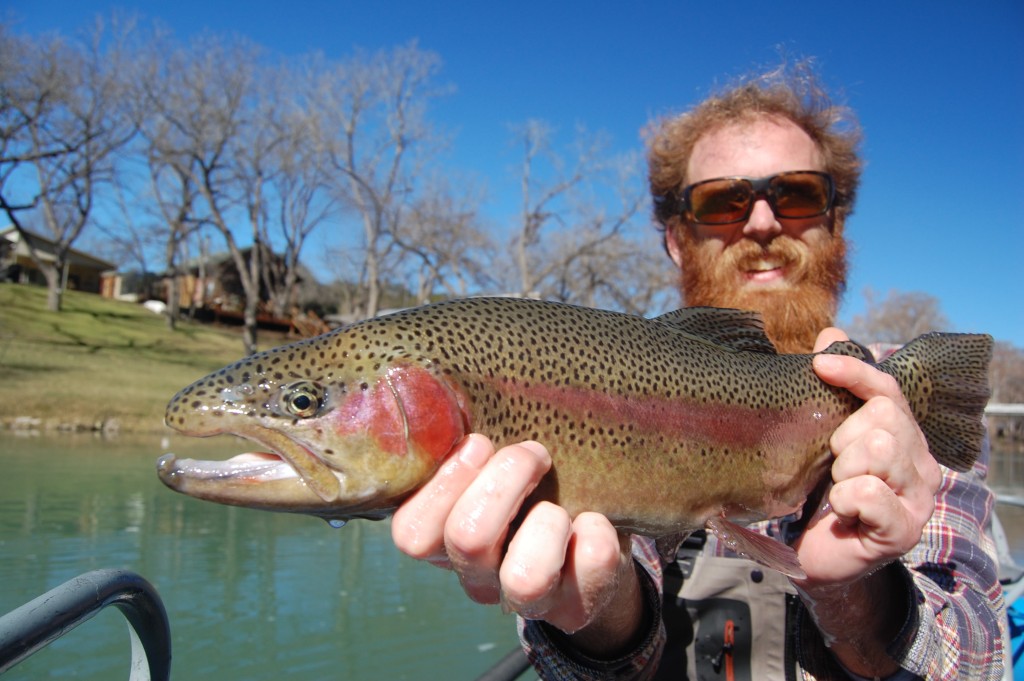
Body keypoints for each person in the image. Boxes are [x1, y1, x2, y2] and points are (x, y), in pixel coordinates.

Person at [390, 64, 1006, 679]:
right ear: (677, 241)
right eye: (721, 202)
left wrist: (856, 591)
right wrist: (599, 611)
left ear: (834, 223)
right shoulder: (622, 382)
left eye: (796, 194)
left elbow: (979, 659)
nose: (761, 223)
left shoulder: (901, 393)